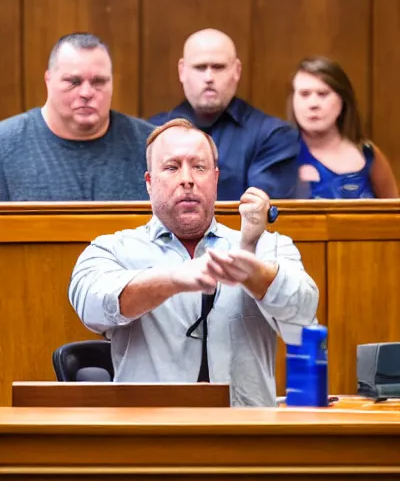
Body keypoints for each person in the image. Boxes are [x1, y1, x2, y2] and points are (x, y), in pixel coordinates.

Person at [69, 119, 319, 407]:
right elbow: (92, 305)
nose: (187, 179)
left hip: (246, 439)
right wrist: (175, 279)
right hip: (150, 439)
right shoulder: (113, 249)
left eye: (198, 167)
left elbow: (303, 317)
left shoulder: (265, 245)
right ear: (150, 183)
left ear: (215, 179)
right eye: (172, 167)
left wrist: (255, 272)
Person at [0, 32, 154, 201]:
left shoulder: (151, 146)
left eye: (98, 82)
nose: (86, 92)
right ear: (48, 80)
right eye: (73, 82)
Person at [148, 28, 300, 201]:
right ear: (182, 71)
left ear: (236, 70)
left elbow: (260, 213)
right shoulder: (152, 133)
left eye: (218, 67)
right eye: (200, 67)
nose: (209, 77)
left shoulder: (273, 135)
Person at [288, 56, 399, 199]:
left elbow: (394, 216)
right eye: (304, 94)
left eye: (323, 94)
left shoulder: (369, 154)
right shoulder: (277, 155)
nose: (313, 104)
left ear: (343, 100)